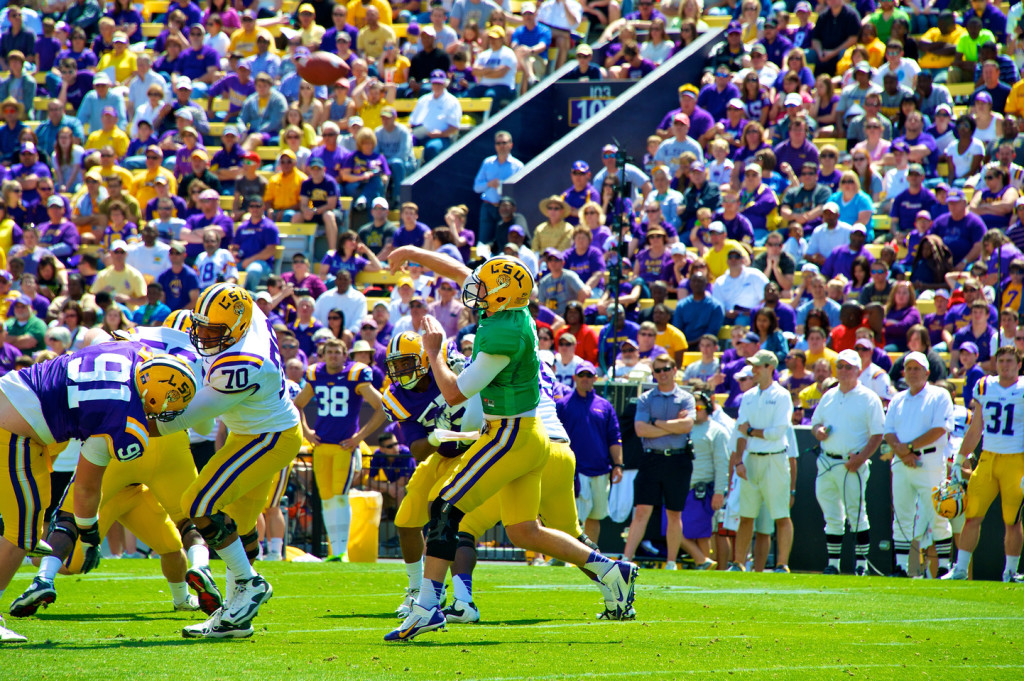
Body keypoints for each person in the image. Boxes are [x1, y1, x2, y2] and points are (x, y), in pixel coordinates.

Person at [383, 247, 637, 639]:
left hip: (511, 435)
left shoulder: (504, 333)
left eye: (484, 287)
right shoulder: (507, 307)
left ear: (501, 294)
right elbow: (459, 271)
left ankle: (427, 605)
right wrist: (413, 253)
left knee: (445, 507)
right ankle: (611, 570)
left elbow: (453, 394)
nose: (474, 290)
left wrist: (434, 353)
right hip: (524, 433)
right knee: (523, 532)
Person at [0, 341, 196, 643]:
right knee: (23, 531)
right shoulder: (124, 422)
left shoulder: (131, 351)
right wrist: (90, 534)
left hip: (14, 394)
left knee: (30, 518)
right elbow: (87, 487)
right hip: (14, 430)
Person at [151, 284, 303, 639]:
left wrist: (132, 422)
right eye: (200, 326)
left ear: (236, 329)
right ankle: (236, 618)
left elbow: (188, 419)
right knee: (238, 523)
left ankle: (250, 584)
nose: (202, 335)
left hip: (269, 436)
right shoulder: (246, 315)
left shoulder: (243, 363)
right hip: (251, 430)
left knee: (197, 503)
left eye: (212, 331)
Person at [293, 338, 385, 561]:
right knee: (326, 498)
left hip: (345, 446)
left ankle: (341, 552)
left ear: (346, 356)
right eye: (329, 352)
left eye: (338, 352)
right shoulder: (316, 374)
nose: (333, 355)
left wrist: (359, 437)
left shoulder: (355, 375)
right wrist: (306, 431)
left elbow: (381, 407)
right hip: (322, 445)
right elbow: (297, 404)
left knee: (340, 496)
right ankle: (335, 550)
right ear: (323, 355)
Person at [622, 354, 714, 570]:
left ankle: (671, 562)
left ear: (674, 370)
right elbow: (640, 429)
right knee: (642, 510)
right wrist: (673, 424)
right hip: (651, 458)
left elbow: (686, 426)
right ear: (653, 373)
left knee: (674, 513)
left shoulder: (686, 398)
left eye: (666, 369)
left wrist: (657, 423)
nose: (662, 373)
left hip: (678, 459)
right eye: (658, 370)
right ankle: (626, 559)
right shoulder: (646, 398)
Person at [946, 345, 1024, 582]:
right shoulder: (984, 386)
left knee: (1012, 520)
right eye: (1001, 361)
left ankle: (1010, 571)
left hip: (1016, 460)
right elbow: (976, 427)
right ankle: (960, 569)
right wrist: (960, 460)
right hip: (988, 458)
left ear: (1019, 364)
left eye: (1010, 361)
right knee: (972, 515)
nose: (1005, 365)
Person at [810, 348, 884, 575]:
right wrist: (818, 431)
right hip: (826, 462)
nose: (843, 371)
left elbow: (878, 433)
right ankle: (833, 564)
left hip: (852, 464)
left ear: (858, 370)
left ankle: (861, 566)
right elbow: (815, 424)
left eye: (848, 367)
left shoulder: (869, 398)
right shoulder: (829, 396)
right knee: (831, 514)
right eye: (840, 366)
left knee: (857, 513)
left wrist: (861, 458)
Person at [882, 351, 955, 578]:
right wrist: (904, 452)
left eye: (917, 368)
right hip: (903, 462)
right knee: (901, 514)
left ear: (927, 372)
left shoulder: (940, 395)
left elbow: (939, 429)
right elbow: (888, 432)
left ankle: (944, 566)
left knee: (937, 513)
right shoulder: (898, 399)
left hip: (930, 461)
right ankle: (901, 566)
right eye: (909, 368)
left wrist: (908, 448)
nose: (912, 373)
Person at [729, 350, 795, 573]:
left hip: (775, 460)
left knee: (781, 515)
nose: (754, 370)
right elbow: (741, 431)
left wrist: (749, 431)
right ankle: (738, 563)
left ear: (770, 368)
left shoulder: (782, 395)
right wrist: (739, 461)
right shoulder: (748, 396)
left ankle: (782, 564)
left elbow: (776, 432)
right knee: (746, 515)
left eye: (758, 366)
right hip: (751, 460)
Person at [556, 361, 622, 545]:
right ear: (575, 378)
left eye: (588, 375)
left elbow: (614, 437)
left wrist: (618, 465)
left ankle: (591, 558)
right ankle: (569, 555)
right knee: (573, 518)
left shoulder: (605, 406)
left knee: (595, 517)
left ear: (595, 378)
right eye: (581, 375)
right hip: (574, 470)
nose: (585, 379)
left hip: (601, 470)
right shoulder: (562, 405)